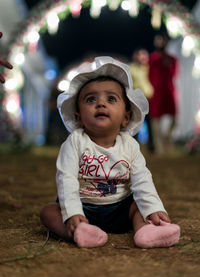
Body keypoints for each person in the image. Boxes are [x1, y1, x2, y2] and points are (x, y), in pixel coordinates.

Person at [40, 56, 180, 249]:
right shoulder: (75, 142)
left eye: (111, 99)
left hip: (120, 207)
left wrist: (154, 209)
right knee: (49, 212)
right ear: (78, 117)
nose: (101, 104)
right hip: (83, 207)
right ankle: (78, 232)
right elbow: (66, 178)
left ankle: (146, 231)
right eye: (91, 99)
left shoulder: (129, 145)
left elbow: (142, 179)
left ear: (126, 117)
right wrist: (73, 212)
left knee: (138, 207)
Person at [149, 34, 179, 154]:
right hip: (156, 93)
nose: (160, 44)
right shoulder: (152, 59)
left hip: (169, 91)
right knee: (156, 119)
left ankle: (167, 137)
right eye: (158, 41)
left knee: (174, 117)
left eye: (162, 41)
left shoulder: (172, 59)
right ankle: (159, 147)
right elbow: (149, 75)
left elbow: (175, 73)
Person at [130, 48, 154, 152]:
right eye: (139, 55)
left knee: (150, 122)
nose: (141, 58)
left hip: (148, 98)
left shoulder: (148, 67)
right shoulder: (131, 68)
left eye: (144, 55)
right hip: (137, 99)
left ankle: (151, 146)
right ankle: (134, 146)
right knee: (136, 122)